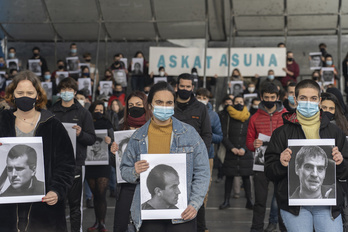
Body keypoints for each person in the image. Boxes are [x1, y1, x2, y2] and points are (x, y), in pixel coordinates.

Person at [120, 81, 210, 231]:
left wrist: (194, 204)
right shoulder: (138, 137)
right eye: (159, 102)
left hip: (183, 213)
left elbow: (203, 172)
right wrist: (134, 171)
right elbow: (124, 170)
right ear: (149, 105)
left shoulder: (189, 134)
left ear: (174, 105)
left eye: (169, 102)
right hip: (149, 216)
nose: (164, 106)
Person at [265, 79, 348, 232]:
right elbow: (269, 171)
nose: (308, 102)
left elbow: (345, 171)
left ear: (319, 101)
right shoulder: (281, 134)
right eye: (303, 98)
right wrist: (281, 164)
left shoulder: (335, 132)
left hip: (328, 205)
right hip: (295, 206)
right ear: (295, 100)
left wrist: (341, 162)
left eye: (313, 98)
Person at [0, 70, 75, 231]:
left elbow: (66, 164)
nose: (24, 96)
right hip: (6, 211)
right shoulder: (2, 121)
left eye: (29, 92)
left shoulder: (53, 125)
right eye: (20, 92)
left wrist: (57, 190)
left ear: (38, 95)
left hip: (43, 210)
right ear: (12, 94)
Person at [51, 77, 96, 232]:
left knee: (75, 205)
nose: (66, 92)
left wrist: (80, 134)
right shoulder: (50, 112)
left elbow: (92, 138)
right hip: (55, 163)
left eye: (69, 89)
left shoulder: (84, 113)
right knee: (57, 204)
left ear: (75, 92)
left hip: (76, 164)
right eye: (63, 89)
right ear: (59, 91)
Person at [173, 73, 212, 232]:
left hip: (194, 160)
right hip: (172, 160)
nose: (184, 89)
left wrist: (200, 155)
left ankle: (201, 228)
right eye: (182, 86)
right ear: (177, 87)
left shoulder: (200, 108)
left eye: (188, 87)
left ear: (192, 88)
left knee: (197, 195)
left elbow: (207, 134)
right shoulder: (170, 106)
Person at [246, 82, 287, 232]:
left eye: (272, 97)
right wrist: (254, 144)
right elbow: (249, 142)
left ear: (277, 97)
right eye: (266, 97)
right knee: (260, 200)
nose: (269, 100)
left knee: (282, 198)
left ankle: (282, 227)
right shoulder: (254, 118)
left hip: (280, 163)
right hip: (260, 163)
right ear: (261, 97)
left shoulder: (286, 116)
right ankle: (256, 228)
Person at [112, 91, 152, 232]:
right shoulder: (121, 128)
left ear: (146, 106)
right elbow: (116, 166)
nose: (134, 107)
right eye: (131, 105)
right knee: (124, 224)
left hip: (149, 184)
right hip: (127, 185)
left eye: (138, 104)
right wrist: (114, 153)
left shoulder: (153, 127)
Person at [219, 95, 254, 210]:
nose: (239, 104)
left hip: (245, 152)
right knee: (229, 177)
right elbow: (223, 135)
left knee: (246, 177)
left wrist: (244, 148)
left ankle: (249, 201)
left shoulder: (249, 117)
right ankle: (226, 201)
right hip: (231, 151)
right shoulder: (227, 117)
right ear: (233, 103)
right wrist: (231, 148)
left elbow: (252, 135)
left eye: (241, 102)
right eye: (237, 102)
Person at [86, 100, 114, 232]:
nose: (99, 112)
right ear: (91, 110)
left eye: (101, 110)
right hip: (90, 163)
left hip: (103, 163)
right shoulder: (86, 123)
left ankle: (102, 224)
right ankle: (97, 222)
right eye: (96, 110)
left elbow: (115, 142)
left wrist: (110, 141)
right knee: (95, 194)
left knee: (102, 194)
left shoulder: (108, 124)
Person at [196, 88, 223, 209]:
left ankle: (201, 219)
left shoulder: (213, 115)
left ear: (208, 99)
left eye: (204, 98)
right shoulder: (190, 111)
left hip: (207, 155)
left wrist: (207, 135)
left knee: (205, 187)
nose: (201, 100)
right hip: (190, 154)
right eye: (199, 97)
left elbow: (220, 137)